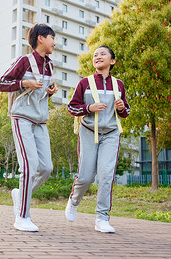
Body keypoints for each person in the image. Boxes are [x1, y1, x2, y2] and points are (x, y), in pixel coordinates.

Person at [0, 23, 58, 232]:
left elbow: (42, 90)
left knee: (47, 168)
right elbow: (1, 84)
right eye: (52, 37)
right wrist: (25, 83)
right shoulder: (24, 61)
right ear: (41, 38)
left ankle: (19, 194)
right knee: (29, 167)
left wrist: (50, 91)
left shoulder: (49, 65)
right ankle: (22, 216)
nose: (54, 42)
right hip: (22, 117)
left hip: (40, 120)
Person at [65, 45, 130, 233]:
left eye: (103, 54)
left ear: (112, 61)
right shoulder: (84, 83)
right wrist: (88, 108)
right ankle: (74, 200)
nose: (98, 57)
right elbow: (71, 107)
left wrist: (120, 108)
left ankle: (102, 218)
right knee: (85, 176)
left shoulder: (119, 85)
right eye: (95, 55)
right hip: (88, 132)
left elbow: (126, 112)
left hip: (110, 134)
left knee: (106, 176)